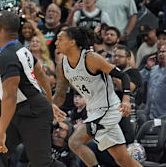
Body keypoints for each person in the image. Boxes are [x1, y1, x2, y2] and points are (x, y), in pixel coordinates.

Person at [0, 10, 67, 167]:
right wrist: (49, 102)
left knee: (41, 164)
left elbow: (10, 96)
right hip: (19, 110)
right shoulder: (22, 49)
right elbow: (41, 75)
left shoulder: (7, 56)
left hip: (32, 111)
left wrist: (1, 133)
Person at [53, 27, 141, 167]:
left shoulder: (91, 58)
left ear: (72, 42)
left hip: (109, 108)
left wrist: (125, 99)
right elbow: (59, 95)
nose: (56, 42)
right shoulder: (61, 66)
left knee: (75, 142)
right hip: (93, 111)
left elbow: (123, 76)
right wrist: (50, 107)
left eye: (60, 39)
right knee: (124, 160)